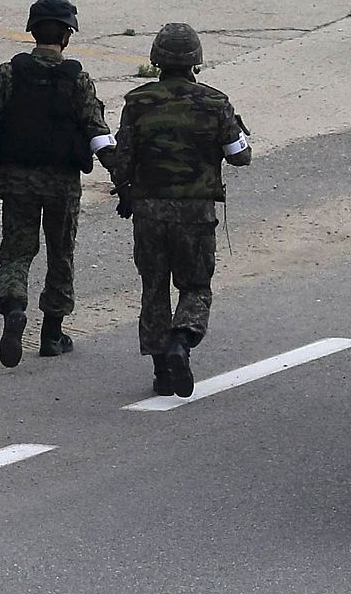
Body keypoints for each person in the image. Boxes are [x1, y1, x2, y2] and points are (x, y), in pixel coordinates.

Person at [0, 0, 114, 369]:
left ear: (33, 31)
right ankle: (52, 333)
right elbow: (97, 131)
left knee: (17, 253)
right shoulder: (78, 78)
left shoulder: (9, 73)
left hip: (16, 180)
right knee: (60, 253)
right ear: (67, 35)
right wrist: (123, 172)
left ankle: (14, 309)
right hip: (62, 184)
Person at [107, 24, 251, 397]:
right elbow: (240, 157)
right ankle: (181, 343)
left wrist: (126, 192)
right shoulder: (215, 103)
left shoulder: (137, 102)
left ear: (156, 60)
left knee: (153, 287)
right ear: (196, 62)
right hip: (195, 213)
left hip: (149, 211)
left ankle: (161, 372)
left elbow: (121, 161)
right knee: (195, 285)